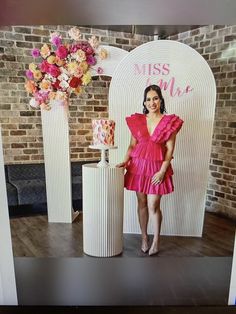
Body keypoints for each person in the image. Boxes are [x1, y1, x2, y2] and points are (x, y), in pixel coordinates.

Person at [117, 84, 183, 256]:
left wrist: (162, 171)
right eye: (148, 99)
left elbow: (169, 150)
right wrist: (125, 161)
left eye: (155, 98)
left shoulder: (169, 123)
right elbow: (132, 145)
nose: (152, 102)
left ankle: (156, 241)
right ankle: (144, 237)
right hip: (138, 167)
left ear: (160, 100)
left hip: (157, 168)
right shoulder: (138, 121)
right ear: (144, 102)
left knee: (154, 204)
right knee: (142, 203)